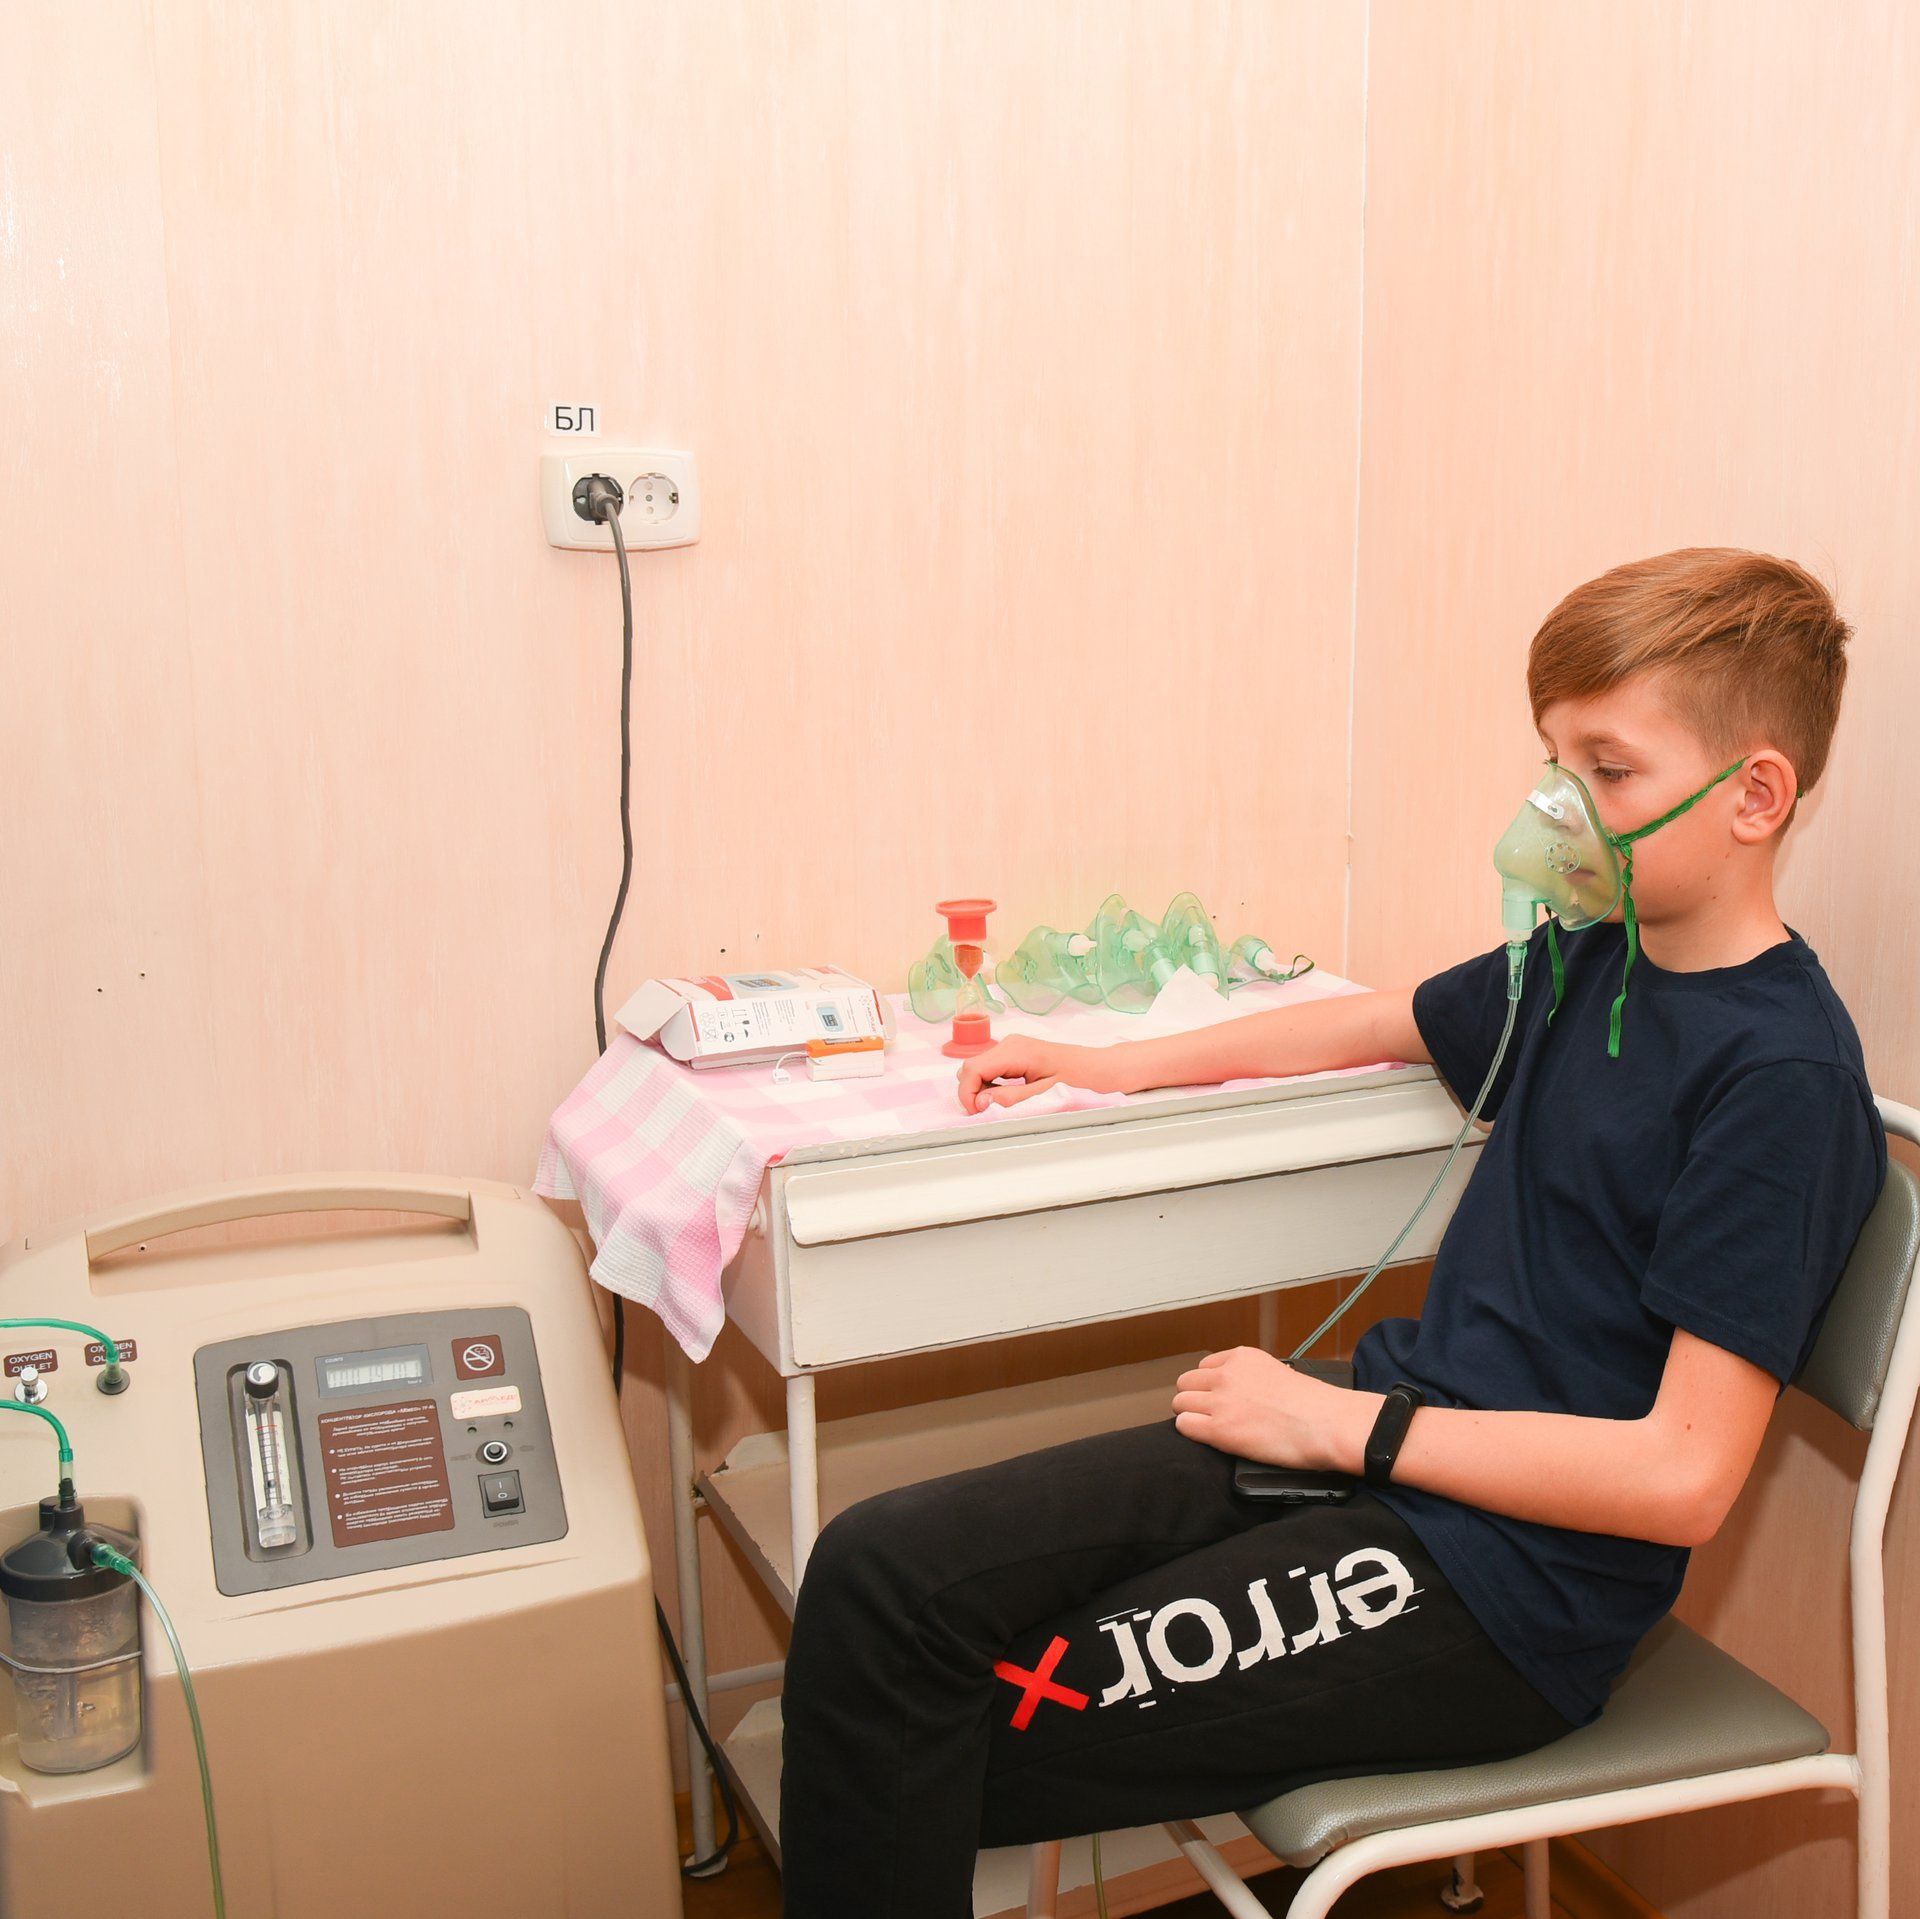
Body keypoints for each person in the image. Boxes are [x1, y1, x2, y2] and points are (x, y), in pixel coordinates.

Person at [777, 548, 1888, 1919]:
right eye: (1555, 766)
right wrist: (1108, 1066)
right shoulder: (1589, 962)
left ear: (1756, 796)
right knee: (879, 1580)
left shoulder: (1780, 1084)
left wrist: (1341, 1427)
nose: (1561, 811)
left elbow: (1683, 1479)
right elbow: (1375, 1021)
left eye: (1609, 771)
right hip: (1386, 1453)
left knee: (918, 1721)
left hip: (1508, 1588)